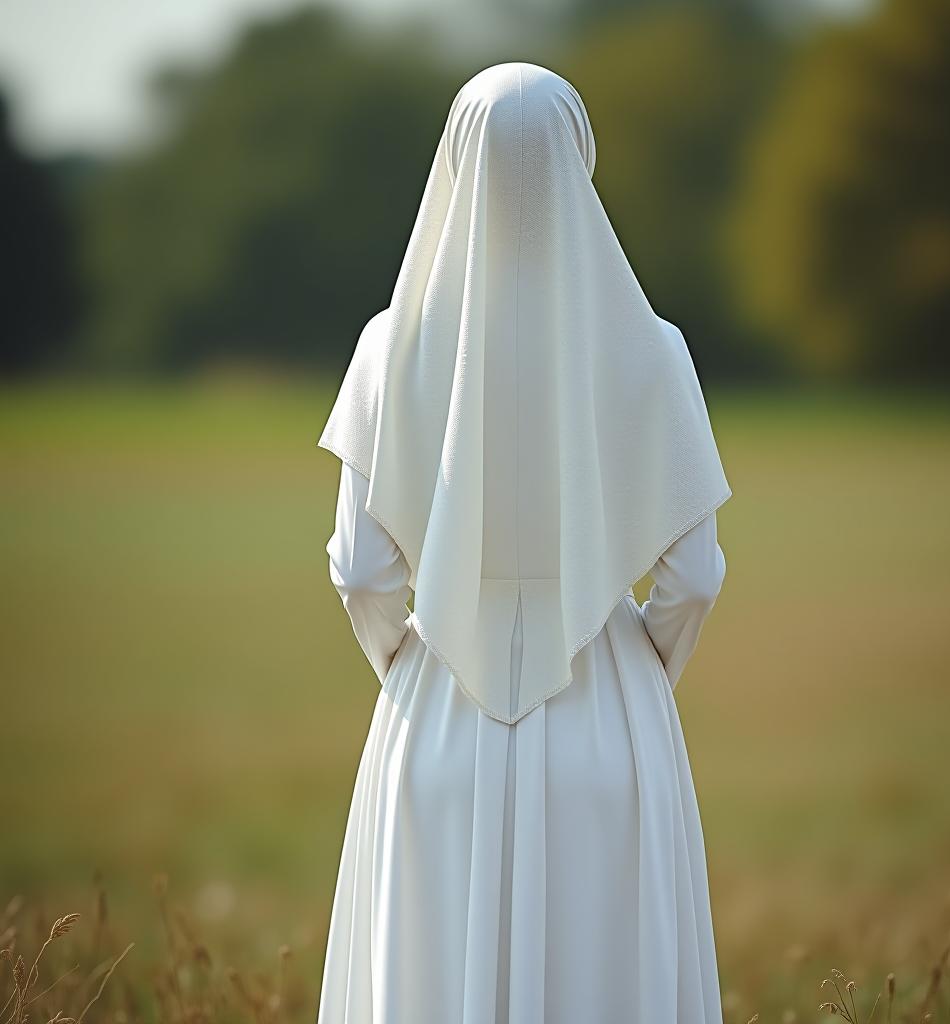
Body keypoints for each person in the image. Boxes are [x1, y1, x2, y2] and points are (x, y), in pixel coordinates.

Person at [315, 62, 732, 1024]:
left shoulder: (391, 345)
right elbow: (695, 576)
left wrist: (410, 667)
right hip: (610, 713)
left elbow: (363, 569)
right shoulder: (653, 348)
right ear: (577, 162)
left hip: (436, 719)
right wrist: (636, 672)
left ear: (454, 164)